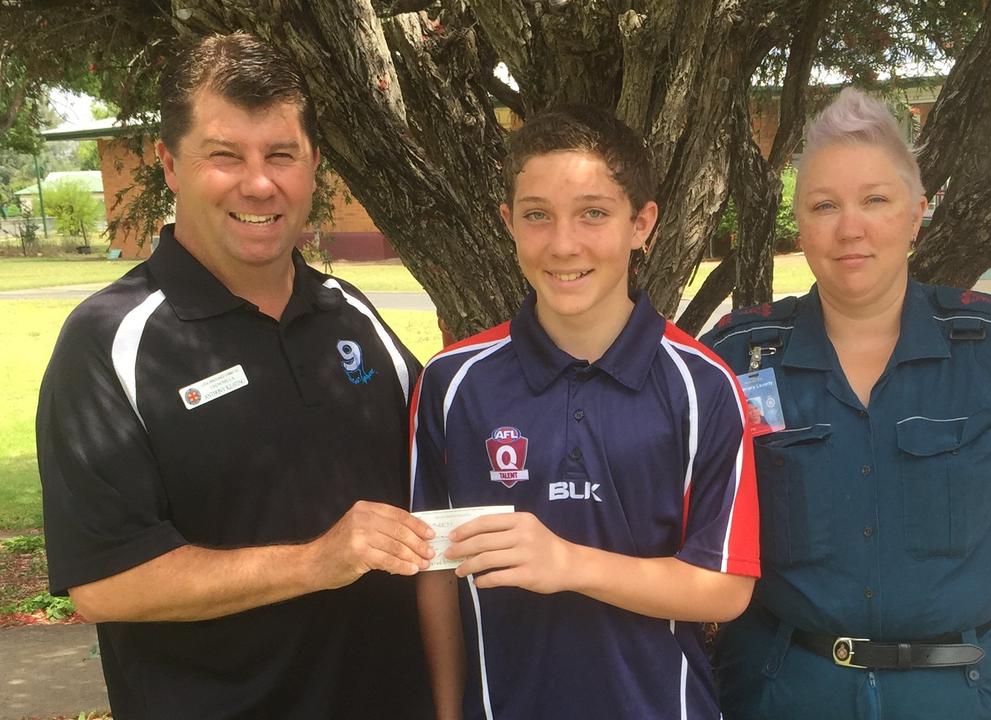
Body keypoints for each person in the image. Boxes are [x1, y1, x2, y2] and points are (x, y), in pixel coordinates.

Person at [36, 32, 433, 719]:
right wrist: (315, 562)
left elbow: (449, 453)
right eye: (224, 156)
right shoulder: (110, 342)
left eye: (282, 154)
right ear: (169, 164)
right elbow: (104, 582)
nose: (259, 182)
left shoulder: (351, 313)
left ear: (312, 165)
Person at [700, 88, 991, 719]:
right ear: (800, 224)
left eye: (875, 201)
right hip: (786, 689)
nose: (850, 227)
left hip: (968, 693)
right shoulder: (737, 358)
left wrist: (963, 548)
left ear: (917, 214)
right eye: (824, 205)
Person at [411, 105, 760, 720]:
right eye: (537, 216)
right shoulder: (453, 383)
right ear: (508, 223)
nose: (563, 243)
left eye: (593, 213)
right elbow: (436, 573)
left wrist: (568, 563)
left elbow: (725, 588)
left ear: (641, 223)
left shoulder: (702, 385)